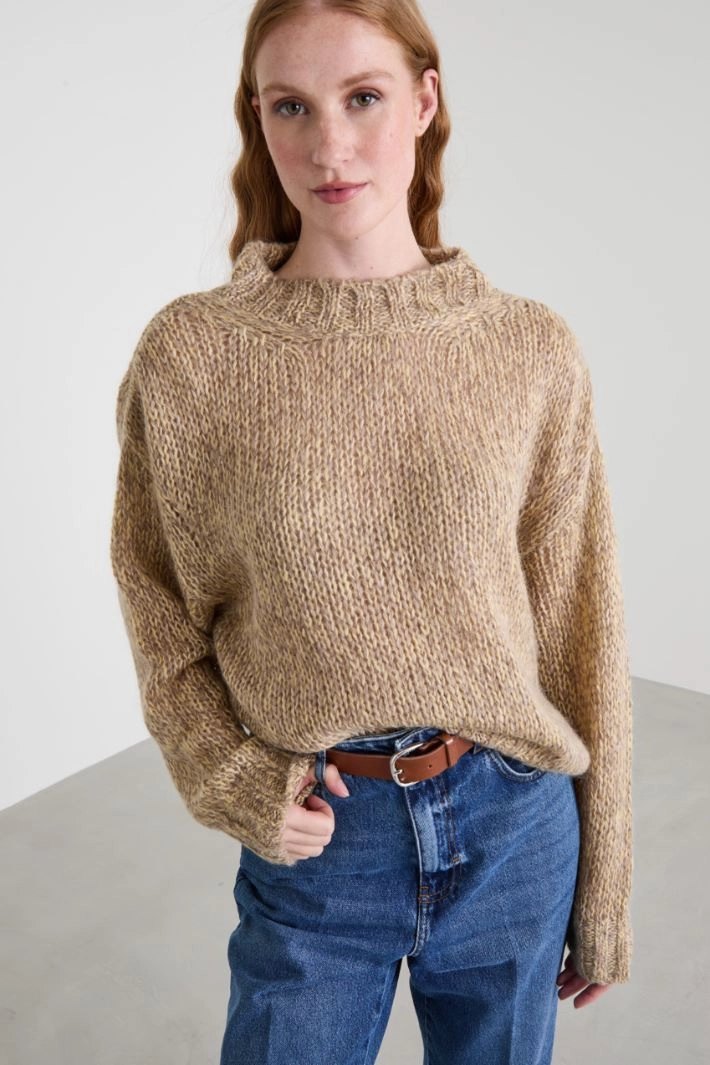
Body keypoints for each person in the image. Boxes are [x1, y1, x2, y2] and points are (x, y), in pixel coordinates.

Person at [109, 0, 634, 1062]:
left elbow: (581, 625)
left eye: (362, 97)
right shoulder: (192, 358)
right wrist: (233, 779)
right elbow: (159, 613)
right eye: (290, 107)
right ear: (256, 118)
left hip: (512, 823)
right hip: (320, 837)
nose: (329, 146)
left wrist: (605, 881)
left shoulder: (527, 349)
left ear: (425, 101)